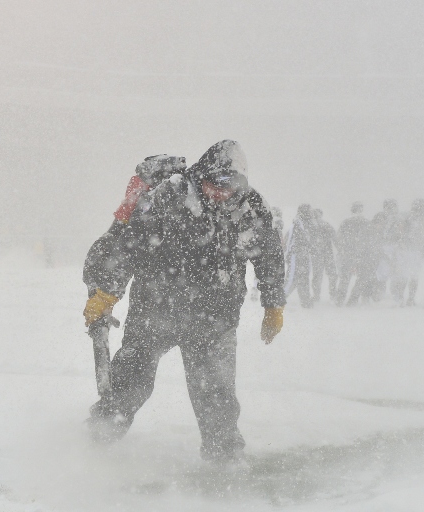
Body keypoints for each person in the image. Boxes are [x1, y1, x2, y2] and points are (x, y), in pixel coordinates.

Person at [82, 140, 285, 462]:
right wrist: (107, 291)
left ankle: (224, 464)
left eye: (229, 186)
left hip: (214, 319)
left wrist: (274, 304)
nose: (221, 193)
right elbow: (128, 244)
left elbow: (269, 256)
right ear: (201, 175)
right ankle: (93, 444)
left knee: (216, 397)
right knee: (129, 386)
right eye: (214, 184)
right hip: (155, 310)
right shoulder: (169, 196)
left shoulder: (249, 206)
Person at [393, 198, 424, 306]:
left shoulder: (407, 216)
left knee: (407, 275)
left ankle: (403, 298)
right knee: (411, 276)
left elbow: (400, 231)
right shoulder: (415, 218)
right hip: (411, 250)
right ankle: (407, 299)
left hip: (410, 250)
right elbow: (401, 230)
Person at [334, 202, 368, 305]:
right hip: (361, 254)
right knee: (361, 277)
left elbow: (338, 238)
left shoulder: (345, 222)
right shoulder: (365, 222)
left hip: (348, 253)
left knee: (345, 278)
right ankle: (353, 299)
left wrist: (342, 250)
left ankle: (340, 299)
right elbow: (370, 239)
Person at [285, 205, 316, 308]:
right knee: (292, 278)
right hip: (297, 255)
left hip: (302, 255)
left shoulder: (305, 224)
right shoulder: (298, 224)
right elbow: (295, 240)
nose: (312, 214)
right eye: (310, 212)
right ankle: (279, 299)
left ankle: (305, 300)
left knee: (303, 278)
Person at [308, 208, 336, 303]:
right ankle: (332, 293)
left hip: (317, 254)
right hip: (327, 253)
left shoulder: (310, 226)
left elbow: (307, 240)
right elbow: (334, 237)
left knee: (317, 275)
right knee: (331, 274)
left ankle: (316, 295)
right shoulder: (326, 224)